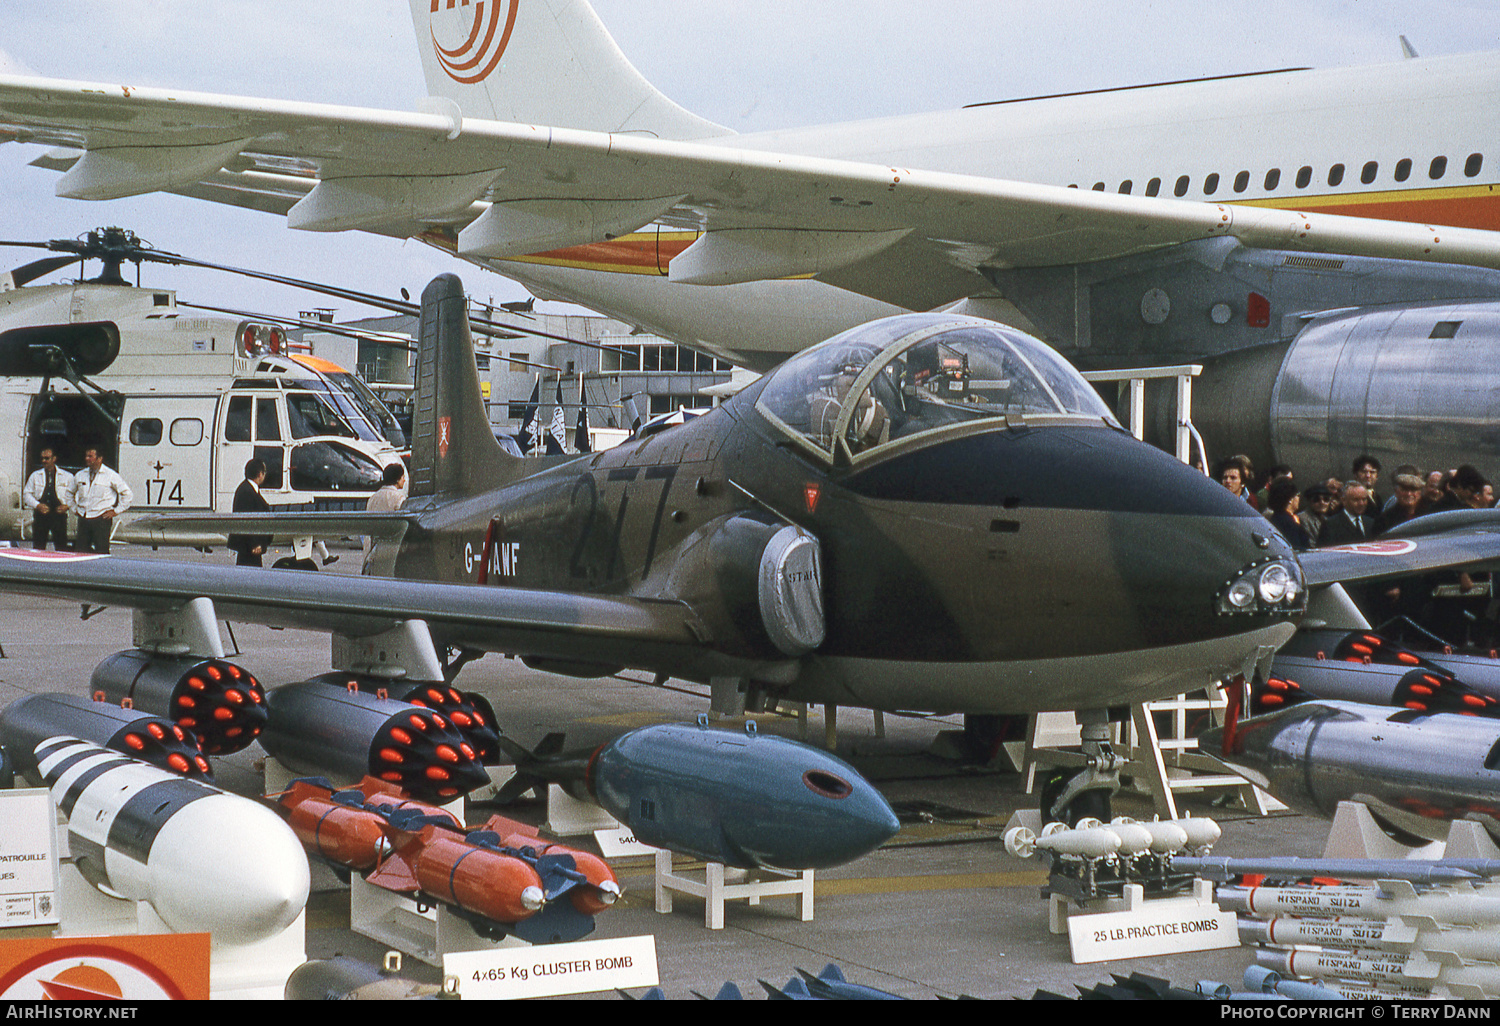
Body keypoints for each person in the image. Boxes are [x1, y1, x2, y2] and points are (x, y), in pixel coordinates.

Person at [70, 447, 132, 554]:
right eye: (86, 456)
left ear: (99, 459)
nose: (87, 459)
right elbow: (68, 493)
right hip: (84, 518)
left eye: (90, 456)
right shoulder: (80, 475)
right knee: (80, 551)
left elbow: (127, 494)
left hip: (101, 518)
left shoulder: (110, 475)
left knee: (101, 551)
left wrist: (116, 511)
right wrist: (74, 508)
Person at [22, 448, 74, 551]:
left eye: (47, 458)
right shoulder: (35, 476)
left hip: (59, 516)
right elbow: (26, 494)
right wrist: (37, 505)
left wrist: (67, 506)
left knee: (61, 547)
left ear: (54, 459)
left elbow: (76, 495)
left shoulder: (67, 476)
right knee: (38, 546)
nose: (44, 461)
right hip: (41, 516)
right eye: (42, 458)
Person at [229, 458, 273, 567]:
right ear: (260, 474)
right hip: (250, 547)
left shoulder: (247, 489)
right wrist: (255, 543)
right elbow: (247, 519)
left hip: (250, 546)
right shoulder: (247, 492)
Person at [363, 462, 407, 570]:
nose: (404, 480)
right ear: (397, 479)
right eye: (403, 477)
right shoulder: (399, 499)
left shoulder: (373, 498)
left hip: (371, 550)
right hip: (390, 550)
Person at [1318, 481, 1375, 546]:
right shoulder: (1330, 525)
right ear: (1343, 500)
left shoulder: (1370, 523)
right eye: (1356, 500)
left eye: (1364, 499)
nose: (1361, 503)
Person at [1263, 477, 1310, 550]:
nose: (1299, 499)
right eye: (1297, 495)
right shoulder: (1288, 524)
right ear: (1290, 499)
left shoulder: (1276, 518)